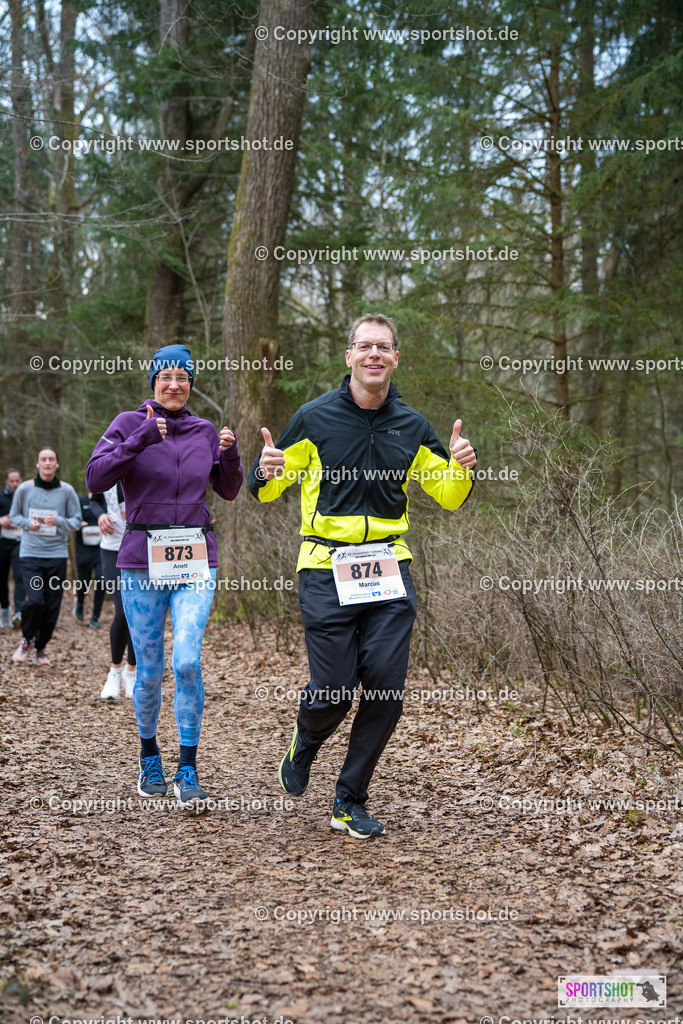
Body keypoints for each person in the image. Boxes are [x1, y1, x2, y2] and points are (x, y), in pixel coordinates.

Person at [248, 313, 477, 839]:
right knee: (333, 689)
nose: (374, 355)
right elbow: (264, 491)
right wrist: (265, 470)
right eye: (365, 346)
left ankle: (349, 799)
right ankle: (306, 741)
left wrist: (462, 466)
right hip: (326, 568)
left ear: (397, 359)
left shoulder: (413, 426)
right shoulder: (314, 418)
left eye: (385, 347)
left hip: (389, 567)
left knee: (386, 691)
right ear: (349, 356)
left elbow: (450, 495)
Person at [86, 344, 242, 811]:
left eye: (183, 376)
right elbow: (95, 478)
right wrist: (138, 441)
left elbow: (229, 490)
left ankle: (188, 766)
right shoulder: (125, 424)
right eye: (165, 376)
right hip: (141, 560)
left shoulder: (204, 430)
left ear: (191, 383)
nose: (174, 384)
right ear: (153, 381)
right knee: (150, 670)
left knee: (188, 662)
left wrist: (230, 456)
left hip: (196, 557)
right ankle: (149, 756)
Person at [10, 449, 81, 666]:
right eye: (44, 459)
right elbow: (14, 516)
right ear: (37, 464)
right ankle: (26, 640)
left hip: (56, 556)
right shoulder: (24, 489)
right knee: (35, 600)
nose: (48, 463)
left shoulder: (67, 491)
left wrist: (58, 521)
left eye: (51, 459)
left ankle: (40, 648)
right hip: (31, 554)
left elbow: (76, 521)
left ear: (57, 464)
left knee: (52, 607)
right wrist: (27, 524)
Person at [94, 482, 137, 700]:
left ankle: (131, 672)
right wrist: (101, 515)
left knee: (138, 614)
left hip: (142, 547)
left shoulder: (146, 465)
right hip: (112, 547)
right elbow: (93, 499)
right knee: (122, 612)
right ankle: (114, 672)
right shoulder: (108, 467)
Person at [74, 492, 105, 627]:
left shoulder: (106, 501)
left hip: (101, 548)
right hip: (84, 548)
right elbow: (72, 519)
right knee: (84, 581)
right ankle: (80, 603)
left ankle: (95, 617)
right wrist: (78, 523)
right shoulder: (81, 501)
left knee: (101, 579)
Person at [0, 468, 25, 627]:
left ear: (21, 480)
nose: (15, 484)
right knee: (2, 578)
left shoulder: (25, 496)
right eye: (12, 481)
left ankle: (19, 612)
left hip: (20, 542)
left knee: (19, 576)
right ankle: (5, 612)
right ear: (7, 482)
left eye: (17, 481)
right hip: (3, 542)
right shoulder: (1, 497)